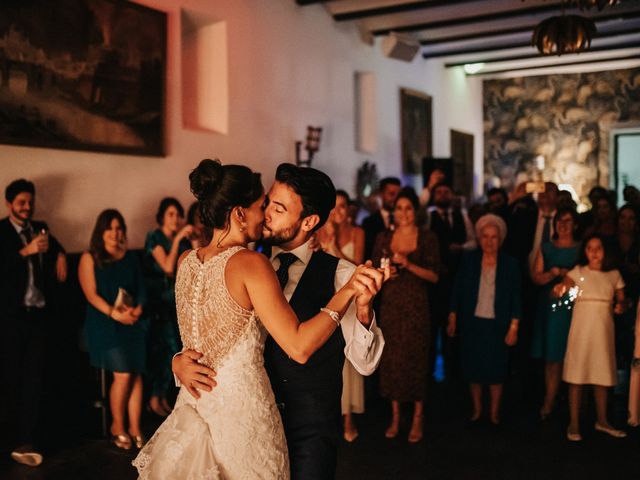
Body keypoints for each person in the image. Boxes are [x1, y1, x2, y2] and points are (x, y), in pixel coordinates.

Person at [135, 160, 386, 479]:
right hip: (245, 423)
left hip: (307, 432)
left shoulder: (342, 275)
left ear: (308, 221)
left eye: (277, 208)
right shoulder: (251, 262)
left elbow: (365, 364)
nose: (266, 213)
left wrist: (364, 312)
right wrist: (178, 361)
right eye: (265, 203)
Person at [0, 179, 67, 467]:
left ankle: (28, 438)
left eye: (30, 202)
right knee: (10, 379)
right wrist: (25, 252)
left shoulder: (41, 228)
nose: (27, 207)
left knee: (35, 378)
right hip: (11, 318)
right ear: (9, 204)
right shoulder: (1, 232)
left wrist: (61, 254)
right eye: (21, 202)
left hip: (39, 315)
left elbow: (55, 245)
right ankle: (10, 440)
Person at [372, 187, 440, 442]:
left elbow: (434, 276)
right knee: (392, 360)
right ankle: (396, 415)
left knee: (417, 358)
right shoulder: (383, 238)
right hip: (391, 305)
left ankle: (418, 417)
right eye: (399, 208)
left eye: (408, 208)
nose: (403, 213)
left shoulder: (427, 237)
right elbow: (374, 272)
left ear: (416, 210)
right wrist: (386, 274)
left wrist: (409, 264)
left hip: (417, 306)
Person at [79, 209, 148, 450]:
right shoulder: (89, 258)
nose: (115, 232)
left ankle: (135, 428)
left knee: (137, 373)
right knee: (124, 374)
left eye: (119, 227)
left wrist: (137, 309)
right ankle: (117, 426)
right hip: (104, 325)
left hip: (130, 322)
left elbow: (141, 288)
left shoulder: (129, 257)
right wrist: (114, 314)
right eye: (110, 228)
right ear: (101, 231)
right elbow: (91, 294)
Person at [447, 214, 522, 426]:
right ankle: (478, 410)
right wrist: (452, 316)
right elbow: (458, 290)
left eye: (494, 237)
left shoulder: (510, 265)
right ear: (479, 239)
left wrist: (514, 326)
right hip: (473, 323)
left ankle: (494, 413)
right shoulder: (469, 261)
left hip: (498, 325)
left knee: (497, 370)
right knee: (474, 369)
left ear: (501, 239)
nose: (489, 241)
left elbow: (516, 297)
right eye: (485, 237)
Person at [554, 234, 627, 441]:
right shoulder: (578, 272)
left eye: (598, 248)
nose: (594, 252)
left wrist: (621, 305)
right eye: (589, 248)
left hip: (603, 331)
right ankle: (574, 423)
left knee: (601, 374)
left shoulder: (613, 275)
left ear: (606, 251)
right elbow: (564, 286)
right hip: (581, 330)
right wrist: (561, 289)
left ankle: (602, 420)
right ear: (584, 252)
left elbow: (622, 299)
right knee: (577, 374)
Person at [316, 189, 366, 442]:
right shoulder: (316, 233)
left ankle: (349, 416)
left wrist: (334, 246)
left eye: (344, 206)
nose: (339, 211)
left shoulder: (357, 233)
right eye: (334, 206)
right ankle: (330, 414)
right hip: (325, 298)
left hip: (350, 298)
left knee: (348, 356)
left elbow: (357, 267)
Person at [144, 198, 193, 416]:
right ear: (162, 216)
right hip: (158, 303)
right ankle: (155, 398)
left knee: (175, 348)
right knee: (164, 349)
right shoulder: (154, 237)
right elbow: (167, 267)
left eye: (178, 214)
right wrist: (178, 240)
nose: (175, 219)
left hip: (177, 302)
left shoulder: (183, 240)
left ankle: (163, 397)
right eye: (171, 214)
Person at [530, 207, 580, 420]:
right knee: (552, 356)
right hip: (550, 309)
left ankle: (575, 402)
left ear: (575, 225)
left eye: (568, 221)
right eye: (560, 220)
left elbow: (586, 276)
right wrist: (553, 273)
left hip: (574, 306)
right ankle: (549, 399)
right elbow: (536, 277)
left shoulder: (580, 249)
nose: (563, 224)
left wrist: (567, 275)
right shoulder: (547, 248)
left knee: (575, 353)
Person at [362, 177, 401, 260]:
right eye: (391, 194)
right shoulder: (369, 222)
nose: (395, 198)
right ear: (381, 194)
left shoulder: (405, 220)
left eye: (398, 195)